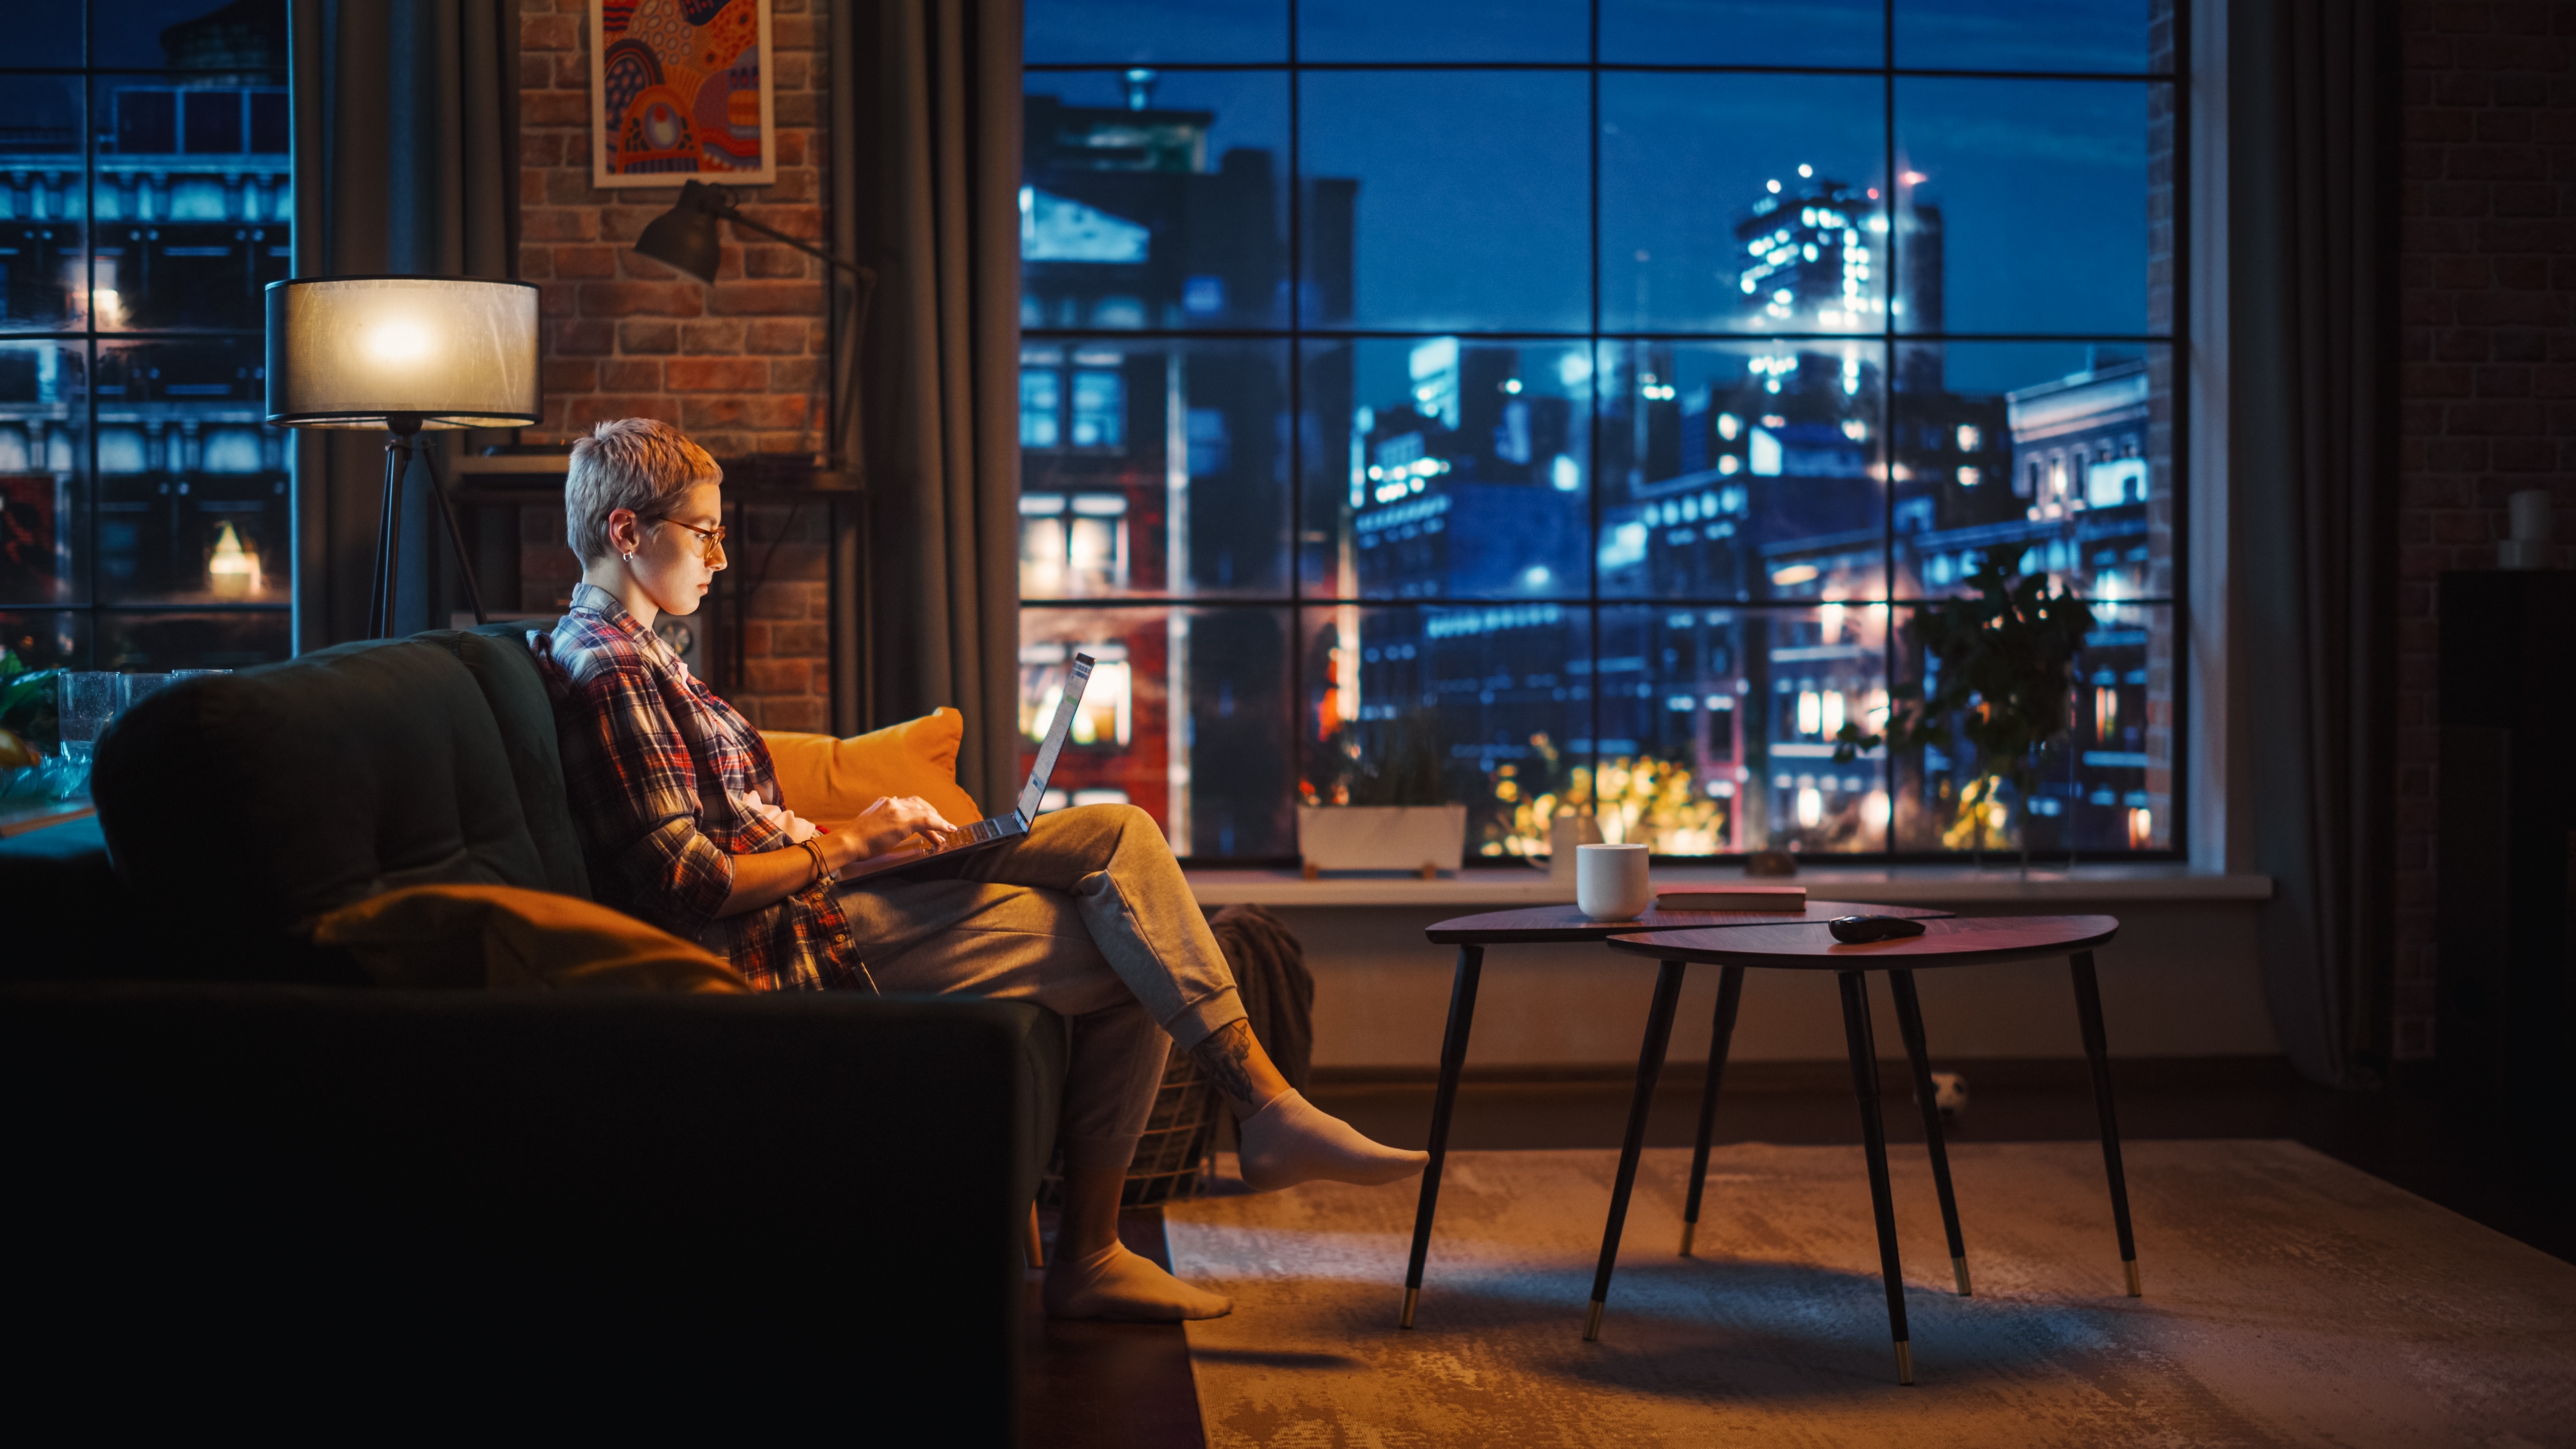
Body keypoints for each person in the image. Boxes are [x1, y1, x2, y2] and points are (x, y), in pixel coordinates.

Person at [545, 419, 1426, 1322]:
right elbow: (694, 883)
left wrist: (868, 832)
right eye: (705, 533)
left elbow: (738, 827)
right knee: (1133, 950)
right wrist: (847, 847)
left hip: (818, 884)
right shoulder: (609, 667)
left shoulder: (652, 655)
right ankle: (1111, 1240)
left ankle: (1261, 1116)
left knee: (1118, 833)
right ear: (626, 532)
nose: (721, 558)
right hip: (779, 938)